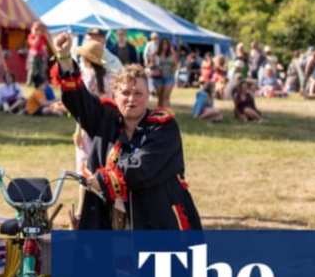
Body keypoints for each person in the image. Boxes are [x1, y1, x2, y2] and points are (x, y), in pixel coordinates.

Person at [50, 30, 203, 232]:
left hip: (159, 222)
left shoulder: (164, 126)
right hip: (110, 221)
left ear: (148, 95)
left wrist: (104, 180)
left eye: (138, 93)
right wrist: (65, 58)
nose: (131, 99)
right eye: (125, 93)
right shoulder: (106, 117)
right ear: (115, 94)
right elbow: (79, 100)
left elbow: (143, 166)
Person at [152, 36, 178, 109]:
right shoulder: (155, 54)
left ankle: (167, 114)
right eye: (163, 44)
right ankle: (160, 112)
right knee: (160, 97)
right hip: (158, 77)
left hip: (169, 76)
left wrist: (172, 51)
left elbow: (176, 64)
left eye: (166, 44)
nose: (165, 46)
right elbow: (152, 64)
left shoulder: (171, 54)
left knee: (166, 96)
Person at [26, 21, 50, 86]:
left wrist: (46, 53)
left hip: (41, 55)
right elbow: (35, 44)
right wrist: (38, 36)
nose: (37, 31)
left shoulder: (42, 37)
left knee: (41, 70)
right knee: (32, 69)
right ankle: (29, 83)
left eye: (38, 29)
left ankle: (39, 83)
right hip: (33, 55)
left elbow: (44, 46)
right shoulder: (30, 36)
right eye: (36, 29)